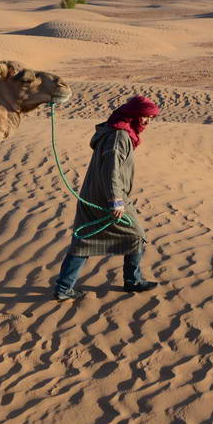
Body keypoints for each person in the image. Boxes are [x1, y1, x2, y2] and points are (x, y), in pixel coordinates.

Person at [53, 95, 162, 301]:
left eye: (151, 118)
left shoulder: (117, 131)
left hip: (96, 194)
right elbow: (111, 169)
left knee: (85, 239)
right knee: (136, 234)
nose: (148, 121)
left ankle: (63, 287)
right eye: (145, 117)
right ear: (134, 116)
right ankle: (133, 281)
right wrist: (116, 200)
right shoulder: (119, 136)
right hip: (106, 197)